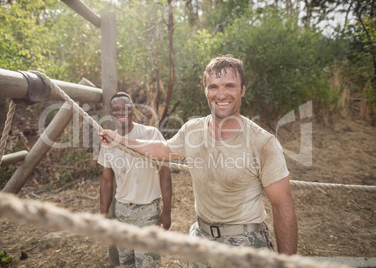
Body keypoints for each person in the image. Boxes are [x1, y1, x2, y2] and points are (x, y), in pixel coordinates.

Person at [99, 56, 298, 266]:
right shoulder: (192, 131)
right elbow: (163, 149)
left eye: (230, 86)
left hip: (245, 245)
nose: (221, 94)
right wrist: (120, 139)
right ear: (206, 91)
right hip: (201, 241)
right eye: (214, 87)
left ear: (242, 90)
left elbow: (282, 207)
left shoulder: (263, 143)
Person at [98, 92, 172, 268]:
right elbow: (107, 181)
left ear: (133, 111)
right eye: (116, 109)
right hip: (122, 211)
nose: (121, 113)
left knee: (147, 263)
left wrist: (167, 211)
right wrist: (102, 215)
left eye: (126, 109)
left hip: (148, 211)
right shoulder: (107, 141)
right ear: (110, 112)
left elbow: (165, 173)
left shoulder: (150, 134)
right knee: (126, 263)